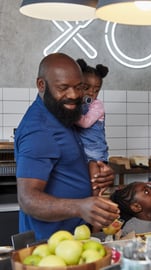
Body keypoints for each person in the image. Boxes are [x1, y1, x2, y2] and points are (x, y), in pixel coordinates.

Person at [14, 53, 120, 241]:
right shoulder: (39, 130)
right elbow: (28, 199)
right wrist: (80, 207)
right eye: (63, 88)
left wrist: (99, 177)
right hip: (49, 245)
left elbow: (67, 166)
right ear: (41, 85)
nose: (73, 95)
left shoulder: (62, 115)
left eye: (79, 87)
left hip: (75, 237)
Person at [76, 59, 109, 195]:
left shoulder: (97, 105)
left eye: (96, 90)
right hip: (81, 148)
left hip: (94, 149)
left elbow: (85, 123)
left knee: (94, 178)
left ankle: (96, 199)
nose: (91, 93)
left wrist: (69, 115)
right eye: (86, 88)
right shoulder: (77, 103)